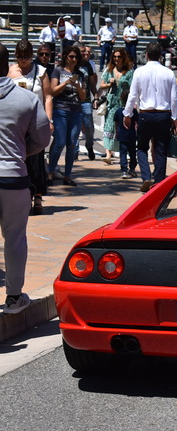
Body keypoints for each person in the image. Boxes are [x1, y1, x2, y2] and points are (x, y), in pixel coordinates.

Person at [0, 42, 51, 314]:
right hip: (13, 176)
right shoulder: (27, 98)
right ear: (8, 65)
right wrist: (21, 150)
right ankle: (14, 298)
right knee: (15, 237)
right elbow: (42, 139)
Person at [123, 42, 177, 192]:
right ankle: (159, 182)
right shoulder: (168, 73)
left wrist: (127, 114)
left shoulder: (139, 72)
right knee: (160, 149)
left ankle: (146, 176)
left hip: (146, 114)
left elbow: (132, 95)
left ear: (146, 55)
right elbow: (174, 98)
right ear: (160, 56)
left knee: (141, 147)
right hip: (163, 114)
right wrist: (175, 117)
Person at [8, 39, 54, 216]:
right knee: (20, 160)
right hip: (17, 123)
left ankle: (38, 196)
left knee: (36, 160)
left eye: (26, 57)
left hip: (35, 121)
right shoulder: (10, 71)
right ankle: (23, 196)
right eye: (20, 57)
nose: (23, 61)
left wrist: (49, 120)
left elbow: (48, 96)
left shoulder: (40, 72)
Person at [48, 45, 86, 187]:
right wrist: (65, 83)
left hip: (76, 111)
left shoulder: (80, 74)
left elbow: (83, 97)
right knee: (60, 142)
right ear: (65, 57)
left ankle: (68, 175)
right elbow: (52, 91)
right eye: (71, 57)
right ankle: (51, 171)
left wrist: (77, 86)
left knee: (72, 144)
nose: (73, 59)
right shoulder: (58, 70)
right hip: (61, 110)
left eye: (76, 57)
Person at [100, 47, 134, 164]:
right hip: (112, 102)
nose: (116, 59)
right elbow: (102, 85)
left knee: (123, 128)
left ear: (123, 58)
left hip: (124, 103)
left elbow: (133, 88)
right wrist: (109, 84)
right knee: (109, 127)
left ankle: (124, 152)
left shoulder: (129, 72)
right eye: (114, 57)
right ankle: (108, 154)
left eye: (119, 57)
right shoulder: (109, 71)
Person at [76, 42, 98, 160]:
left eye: (85, 51)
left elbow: (92, 83)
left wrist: (96, 96)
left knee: (89, 126)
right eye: (82, 51)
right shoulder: (70, 64)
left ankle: (89, 145)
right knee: (75, 126)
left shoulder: (87, 66)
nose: (85, 53)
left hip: (86, 101)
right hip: (73, 101)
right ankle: (74, 150)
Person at [113, 89, 138, 179]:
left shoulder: (119, 111)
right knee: (132, 152)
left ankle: (124, 170)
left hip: (122, 135)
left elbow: (116, 122)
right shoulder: (134, 112)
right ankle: (132, 169)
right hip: (131, 135)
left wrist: (116, 132)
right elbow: (137, 123)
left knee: (123, 152)